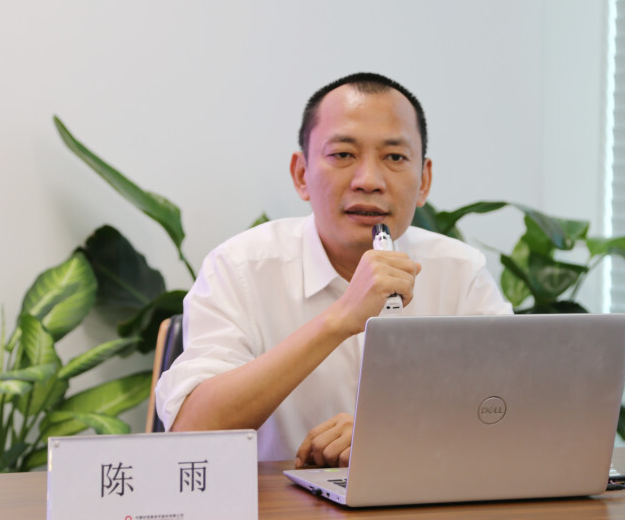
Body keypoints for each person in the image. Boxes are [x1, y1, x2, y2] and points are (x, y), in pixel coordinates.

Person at [155, 72, 512, 467]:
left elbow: (518, 414)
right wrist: (340, 318)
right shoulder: (240, 269)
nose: (369, 181)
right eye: (343, 155)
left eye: (395, 157)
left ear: (424, 181)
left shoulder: (459, 273)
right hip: (278, 504)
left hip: (420, 502)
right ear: (301, 175)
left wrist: (389, 438)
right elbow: (192, 433)